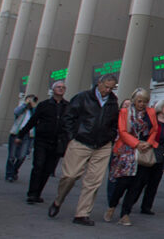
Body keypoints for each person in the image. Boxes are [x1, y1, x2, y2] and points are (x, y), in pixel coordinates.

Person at [48, 74, 120, 226]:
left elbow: (114, 123)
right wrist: (72, 136)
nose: (107, 90)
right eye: (106, 86)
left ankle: (82, 213)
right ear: (99, 83)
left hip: (102, 145)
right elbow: (68, 117)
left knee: (93, 182)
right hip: (81, 141)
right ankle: (58, 200)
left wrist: (110, 137)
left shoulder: (113, 102)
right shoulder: (82, 97)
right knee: (70, 176)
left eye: (111, 88)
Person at [104, 87, 159, 226]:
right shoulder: (125, 112)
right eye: (140, 101)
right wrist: (136, 143)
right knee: (123, 183)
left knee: (137, 184)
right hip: (127, 150)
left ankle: (125, 214)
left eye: (145, 101)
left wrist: (149, 142)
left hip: (143, 151)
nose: (142, 104)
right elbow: (122, 131)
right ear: (134, 100)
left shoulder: (150, 112)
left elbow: (154, 130)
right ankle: (112, 205)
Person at [19, 80, 69, 204]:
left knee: (48, 169)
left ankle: (38, 193)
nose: (61, 89)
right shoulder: (44, 105)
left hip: (57, 142)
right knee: (38, 166)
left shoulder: (67, 106)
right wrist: (21, 135)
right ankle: (32, 193)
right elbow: (33, 121)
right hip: (42, 140)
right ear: (53, 89)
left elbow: (71, 124)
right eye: (58, 87)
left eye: (63, 87)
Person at [139, 99, 164, 214]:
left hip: (162, 154)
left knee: (154, 182)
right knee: (141, 180)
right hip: (150, 151)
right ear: (161, 108)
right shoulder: (152, 121)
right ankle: (131, 201)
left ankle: (147, 206)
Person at [6, 94, 37, 182]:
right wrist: (25, 104)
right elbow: (16, 112)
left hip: (27, 135)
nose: (31, 101)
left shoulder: (33, 111)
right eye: (29, 99)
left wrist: (34, 107)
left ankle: (14, 170)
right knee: (12, 156)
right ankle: (9, 174)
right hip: (16, 133)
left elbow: (38, 117)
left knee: (22, 156)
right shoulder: (21, 109)